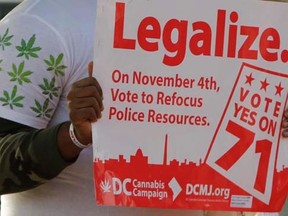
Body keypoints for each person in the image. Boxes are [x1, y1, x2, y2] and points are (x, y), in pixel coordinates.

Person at [0, 0, 286, 216]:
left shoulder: (220, 20)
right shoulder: (40, 23)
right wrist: (75, 136)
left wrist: (276, 125)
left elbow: (231, 169)